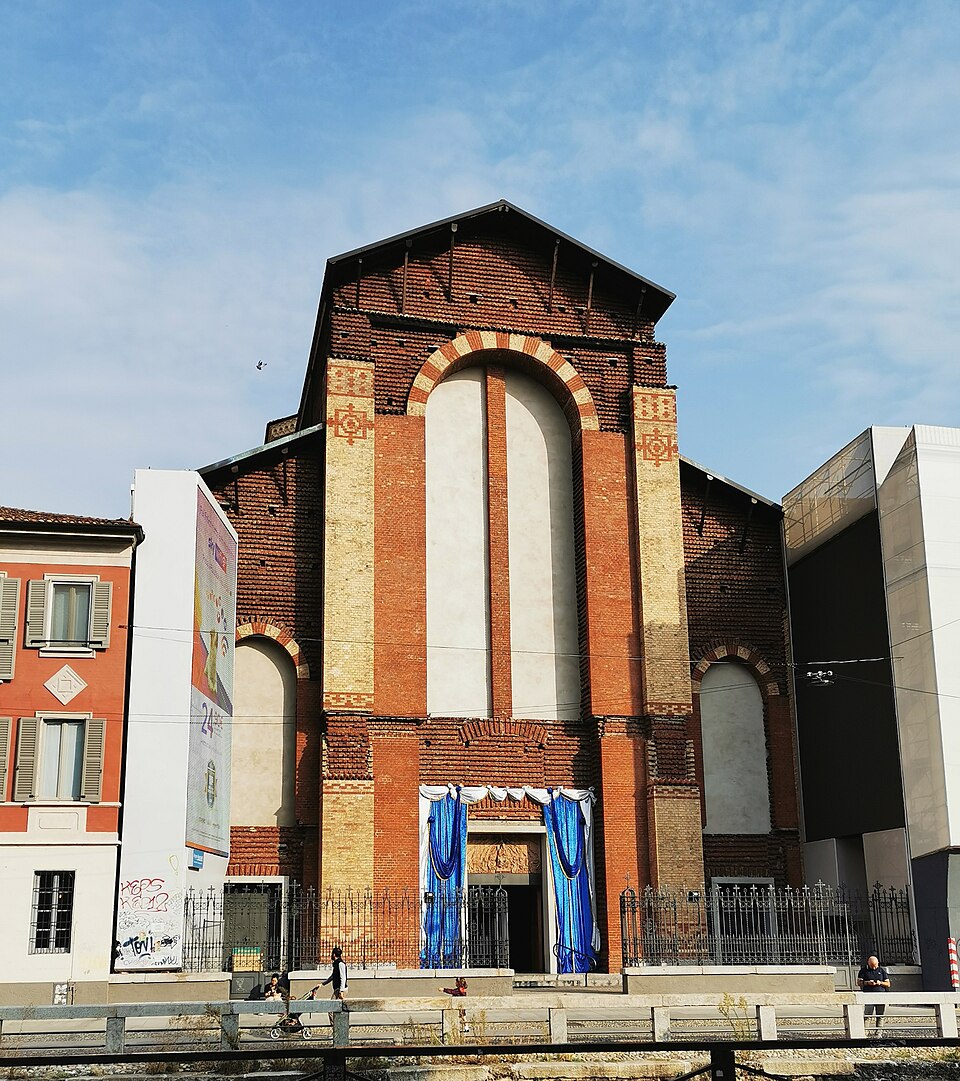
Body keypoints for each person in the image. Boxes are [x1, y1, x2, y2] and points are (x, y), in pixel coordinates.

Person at [857, 955, 890, 1033]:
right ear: (868, 963)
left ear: (878, 963)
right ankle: (865, 1032)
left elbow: (888, 984)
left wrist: (880, 983)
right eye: (872, 966)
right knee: (867, 1015)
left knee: (880, 1016)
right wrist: (867, 982)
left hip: (880, 995)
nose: (874, 968)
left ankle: (879, 1032)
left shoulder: (882, 971)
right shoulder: (863, 971)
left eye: (875, 966)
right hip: (868, 995)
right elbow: (858, 982)